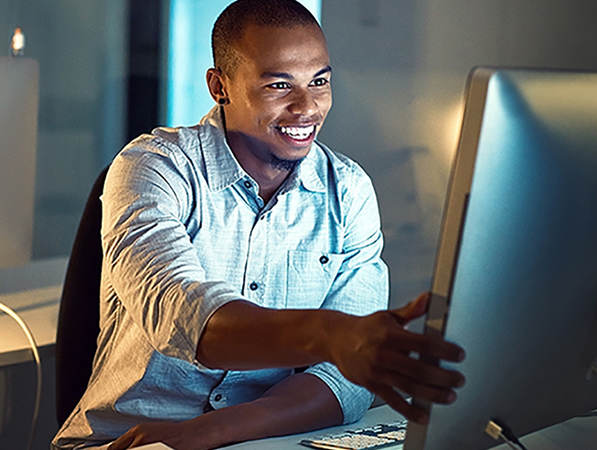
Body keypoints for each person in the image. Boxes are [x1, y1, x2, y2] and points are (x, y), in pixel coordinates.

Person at [52, 1, 465, 449]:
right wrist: (332, 334)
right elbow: (187, 317)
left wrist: (208, 432)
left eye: (320, 82)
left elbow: (344, 380)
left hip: (265, 440)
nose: (306, 107)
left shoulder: (348, 190)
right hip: (129, 442)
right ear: (220, 86)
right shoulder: (152, 167)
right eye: (279, 84)